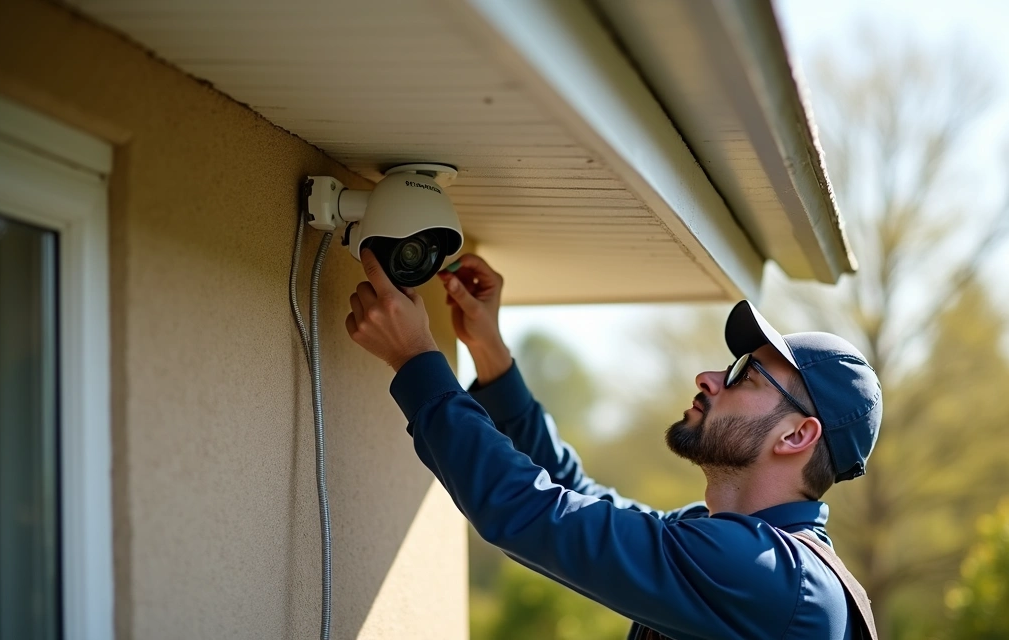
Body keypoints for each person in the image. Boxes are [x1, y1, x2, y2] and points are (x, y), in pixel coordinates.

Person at [345, 250, 883, 640]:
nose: (708, 377)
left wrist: (416, 361)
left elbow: (535, 512)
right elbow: (572, 495)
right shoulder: (724, 545)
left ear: (797, 435)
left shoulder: (771, 577)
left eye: (745, 375)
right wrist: (490, 353)